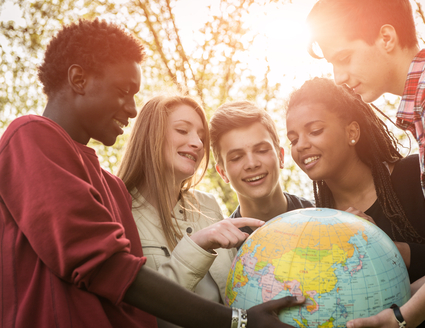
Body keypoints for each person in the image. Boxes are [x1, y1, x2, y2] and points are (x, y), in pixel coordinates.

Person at [0, 18, 304, 328]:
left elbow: (133, 308)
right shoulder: (31, 136)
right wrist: (239, 322)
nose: (132, 109)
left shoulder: (112, 187)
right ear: (79, 79)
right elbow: (109, 268)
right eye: (124, 91)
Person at [306, 0, 425, 327]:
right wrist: (391, 304)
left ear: (386, 37)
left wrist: (401, 318)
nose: (338, 76)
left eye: (344, 57)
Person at [286, 77, 425, 327]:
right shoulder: (317, 221)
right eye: (293, 139)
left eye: (315, 131)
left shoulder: (416, 175)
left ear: (352, 132)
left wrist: (380, 245)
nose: (302, 145)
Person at [117, 95, 264, 327]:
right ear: (150, 135)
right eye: (183, 130)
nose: (197, 143)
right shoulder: (118, 211)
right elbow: (137, 313)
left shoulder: (208, 205)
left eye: (201, 137)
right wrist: (197, 245)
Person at [209, 101, 314, 237]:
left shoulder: (323, 218)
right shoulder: (221, 250)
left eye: (262, 150)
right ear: (223, 173)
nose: (252, 164)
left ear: (281, 157)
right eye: (236, 157)